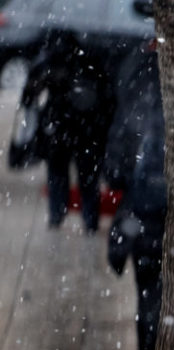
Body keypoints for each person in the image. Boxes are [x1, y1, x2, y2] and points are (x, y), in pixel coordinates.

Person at [20, 30, 114, 232]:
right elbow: (107, 93)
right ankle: (89, 220)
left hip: (60, 126)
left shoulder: (52, 55)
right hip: (87, 127)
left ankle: (58, 215)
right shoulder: (94, 53)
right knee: (86, 176)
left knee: (59, 173)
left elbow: (29, 94)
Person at [107, 94, 165, 350]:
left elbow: (116, 174)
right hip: (167, 236)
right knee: (160, 310)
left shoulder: (138, 108)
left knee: (149, 308)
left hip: (145, 236)